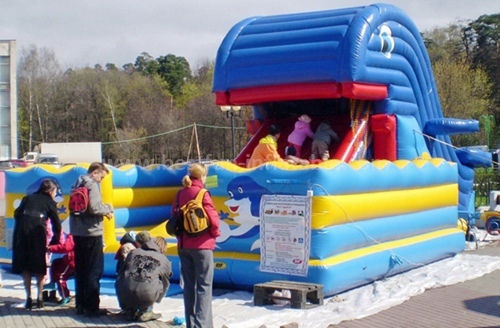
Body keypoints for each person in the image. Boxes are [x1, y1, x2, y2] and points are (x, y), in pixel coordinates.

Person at [171, 163, 220, 328]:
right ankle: (202, 325)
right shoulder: (202, 193)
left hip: (184, 245)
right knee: (204, 286)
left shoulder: (180, 194)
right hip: (202, 245)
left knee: (189, 287)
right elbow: (213, 218)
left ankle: (191, 324)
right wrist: (215, 234)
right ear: (202, 176)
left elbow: (174, 218)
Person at [69, 162, 114, 317]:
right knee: (94, 270)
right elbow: (94, 207)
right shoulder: (92, 185)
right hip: (91, 233)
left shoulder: (76, 183)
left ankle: (80, 304)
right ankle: (92, 306)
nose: (101, 181)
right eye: (101, 177)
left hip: (77, 231)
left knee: (80, 269)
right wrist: (107, 208)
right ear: (95, 172)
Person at [12, 179, 62, 310]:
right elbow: (56, 222)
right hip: (37, 231)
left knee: (25, 264)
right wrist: (55, 240)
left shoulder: (27, 198)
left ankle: (28, 297)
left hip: (22, 230)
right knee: (39, 263)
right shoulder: (50, 202)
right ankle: (40, 297)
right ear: (50, 191)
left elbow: (16, 214)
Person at [115, 236, 172, 322]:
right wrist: (157, 299)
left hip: (124, 293)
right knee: (158, 281)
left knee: (126, 278)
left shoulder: (134, 252)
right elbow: (165, 283)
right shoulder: (164, 260)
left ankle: (129, 309)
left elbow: (121, 271)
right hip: (146, 295)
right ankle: (147, 310)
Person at [46, 232, 75, 305]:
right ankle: (53, 284)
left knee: (61, 277)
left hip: (71, 260)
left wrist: (50, 248)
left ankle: (65, 296)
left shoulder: (72, 234)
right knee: (55, 264)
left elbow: (67, 247)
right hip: (68, 258)